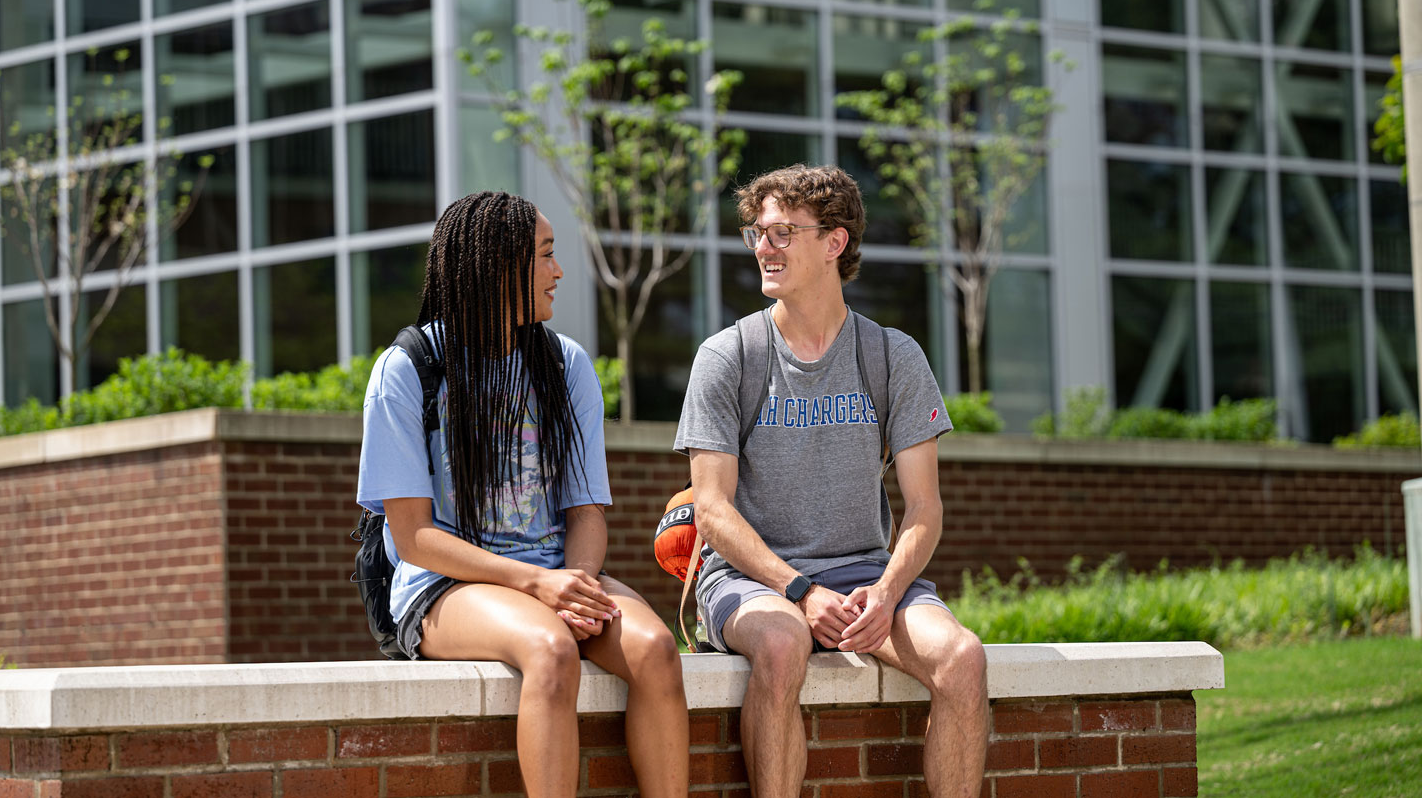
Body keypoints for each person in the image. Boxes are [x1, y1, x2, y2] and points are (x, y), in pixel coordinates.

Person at [358, 191, 687, 798]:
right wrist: (537, 587)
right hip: (443, 585)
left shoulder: (565, 365)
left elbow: (584, 512)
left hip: (556, 575)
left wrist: (576, 584)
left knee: (657, 648)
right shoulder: (409, 368)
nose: (558, 271)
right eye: (545, 255)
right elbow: (414, 538)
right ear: (496, 265)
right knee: (550, 649)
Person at [674, 164, 988, 798]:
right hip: (753, 580)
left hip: (865, 577)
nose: (763, 248)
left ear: (835, 242)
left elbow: (924, 507)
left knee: (963, 659)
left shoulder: (892, 355)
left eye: (783, 232)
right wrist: (799, 588)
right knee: (784, 646)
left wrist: (889, 589)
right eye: (757, 233)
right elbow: (711, 509)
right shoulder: (728, 356)